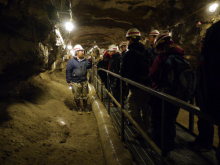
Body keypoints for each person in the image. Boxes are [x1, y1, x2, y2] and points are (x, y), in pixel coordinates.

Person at [149, 33, 194, 156]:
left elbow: (152, 74)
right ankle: (169, 145)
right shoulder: (182, 56)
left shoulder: (162, 57)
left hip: (162, 94)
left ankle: (158, 147)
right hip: (177, 95)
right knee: (170, 121)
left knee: (158, 120)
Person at [190, 20, 220, 164]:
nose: (200, 45)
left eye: (202, 43)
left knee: (207, 120)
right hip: (203, 95)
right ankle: (202, 140)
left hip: (209, 96)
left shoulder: (208, 57)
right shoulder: (203, 58)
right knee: (202, 120)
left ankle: (206, 144)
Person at [120, 28, 152, 136]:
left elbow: (123, 73)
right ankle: (149, 130)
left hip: (135, 88)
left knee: (133, 111)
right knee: (146, 111)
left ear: (130, 40)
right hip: (148, 87)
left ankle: (141, 133)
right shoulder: (146, 52)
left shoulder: (129, 55)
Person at [66, 44, 92, 115]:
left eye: (83, 51)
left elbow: (89, 67)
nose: (83, 52)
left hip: (84, 80)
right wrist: (69, 81)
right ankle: (79, 108)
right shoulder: (71, 62)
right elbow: (68, 71)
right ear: (76, 52)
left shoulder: (85, 60)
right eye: (81, 51)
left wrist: (90, 61)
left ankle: (85, 107)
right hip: (75, 81)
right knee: (76, 95)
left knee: (85, 95)